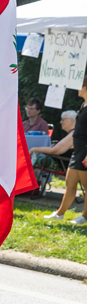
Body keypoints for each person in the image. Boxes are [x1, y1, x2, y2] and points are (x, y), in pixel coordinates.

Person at [43, 79, 87, 225]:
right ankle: (60, 214)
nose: (77, 89)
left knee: (86, 186)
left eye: (80, 87)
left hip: (85, 150)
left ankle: (85, 217)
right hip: (78, 149)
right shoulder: (83, 104)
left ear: (85, 88)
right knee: (70, 183)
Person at [29, 110, 76, 175]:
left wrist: (33, 149)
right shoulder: (74, 134)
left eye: (63, 119)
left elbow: (54, 150)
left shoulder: (73, 135)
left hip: (66, 165)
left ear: (72, 120)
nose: (61, 122)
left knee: (30, 161)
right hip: (68, 163)